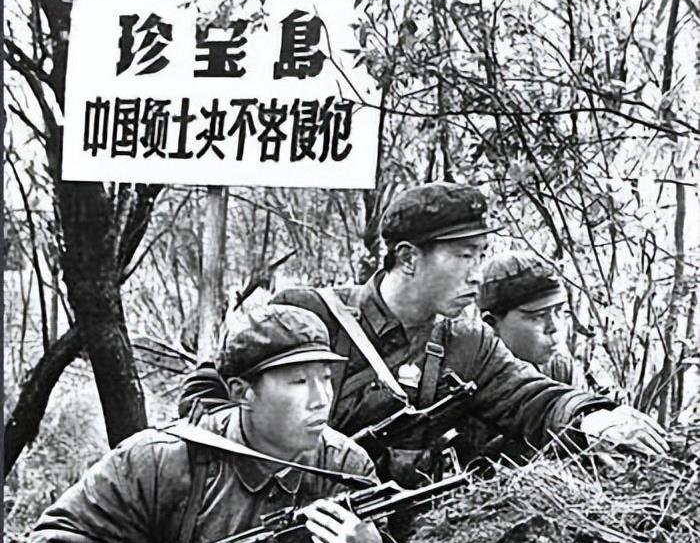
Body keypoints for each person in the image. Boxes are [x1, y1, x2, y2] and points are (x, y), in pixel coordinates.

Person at [180, 182, 668, 482]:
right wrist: (269, 454)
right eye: (464, 256)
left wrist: (595, 419)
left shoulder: (467, 344)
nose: (477, 274)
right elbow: (205, 392)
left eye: (481, 255)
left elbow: (531, 397)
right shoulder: (309, 314)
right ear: (409, 258)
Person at [30, 305, 388, 543]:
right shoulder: (163, 461)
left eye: (326, 378)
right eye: (299, 382)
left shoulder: (345, 467)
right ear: (241, 392)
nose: (321, 399)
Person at [479, 250, 585, 387]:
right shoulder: (475, 379)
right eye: (538, 316)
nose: (554, 327)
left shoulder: (560, 368)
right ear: (491, 325)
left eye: (558, 311)